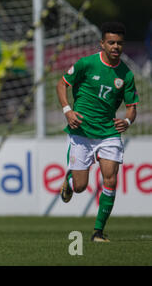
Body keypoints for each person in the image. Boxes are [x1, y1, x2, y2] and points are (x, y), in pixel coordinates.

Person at [56, 22, 138, 242]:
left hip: (109, 133)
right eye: (111, 42)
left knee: (110, 180)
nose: (115, 46)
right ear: (102, 43)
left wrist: (127, 122)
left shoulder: (126, 76)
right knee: (81, 187)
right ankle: (71, 178)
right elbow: (61, 84)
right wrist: (67, 111)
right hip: (81, 130)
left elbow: (132, 108)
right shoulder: (86, 64)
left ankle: (98, 232)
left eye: (119, 43)